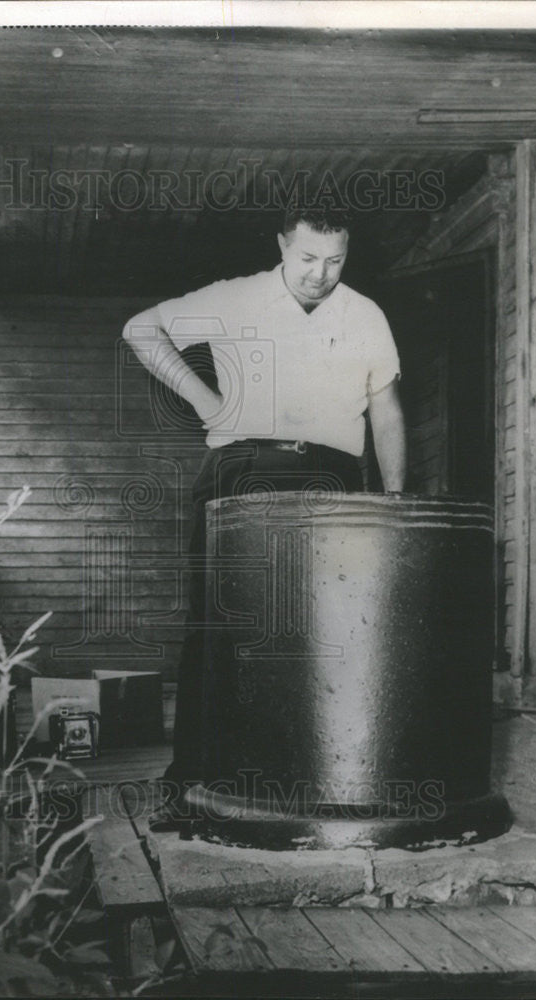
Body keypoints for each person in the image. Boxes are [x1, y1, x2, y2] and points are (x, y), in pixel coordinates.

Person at [121, 204, 406, 816]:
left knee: (324, 630)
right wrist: (207, 401)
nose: (319, 274)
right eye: (307, 258)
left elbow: (385, 408)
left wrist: (395, 500)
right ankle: (190, 788)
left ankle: (314, 781)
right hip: (243, 468)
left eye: (335, 261)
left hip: (333, 475)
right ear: (282, 245)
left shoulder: (364, 315)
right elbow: (141, 329)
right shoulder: (235, 298)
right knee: (218, 630)